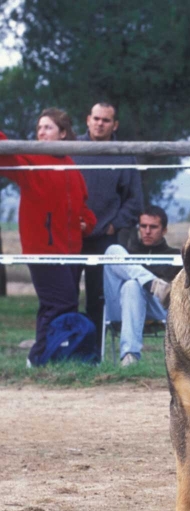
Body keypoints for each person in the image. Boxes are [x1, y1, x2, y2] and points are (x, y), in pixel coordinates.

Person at [0, 108, 97, 366]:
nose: (41, 132)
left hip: (72, 251)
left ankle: (48, 358)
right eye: (39, 127)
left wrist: (86, 223)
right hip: (41, 248)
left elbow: (84, 208)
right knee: (62, 302)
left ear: (63, 133)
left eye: (48, 127)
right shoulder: (29, 158)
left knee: (53, 305)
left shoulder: (72, 167)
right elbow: (5, 152)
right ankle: (41, 356)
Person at [72, 102, 144, 355]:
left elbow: (135, 201)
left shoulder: (124, 154)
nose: (100, 123)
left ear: (115, 125)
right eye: (96, 118)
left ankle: (95, 354)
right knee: (66, 296)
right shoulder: (70, 149)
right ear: (87, 119)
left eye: (106, 120)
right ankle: (65, 351)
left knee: (98, 299)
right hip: (70, 236)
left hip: (104, 237)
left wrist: (114, 224)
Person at [103, 205, 180, 367]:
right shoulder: (127, 253)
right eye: (143, 226)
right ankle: (153, 283)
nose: (147, 231)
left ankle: (130, 356)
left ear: (164, 230)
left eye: (153, 227)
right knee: (113, 250)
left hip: (159, 308)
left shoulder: (174, 256)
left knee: (132, 284)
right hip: (123, 307)